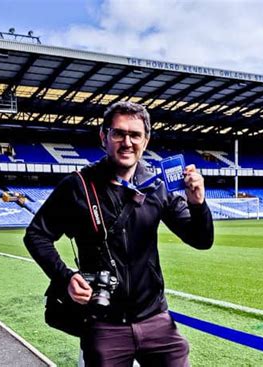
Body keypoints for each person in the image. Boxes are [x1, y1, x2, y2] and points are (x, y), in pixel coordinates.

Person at [24, 101, 214, 366]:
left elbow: (201, 239)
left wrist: (197, 203)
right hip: (104, 325)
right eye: (119, 133)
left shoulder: (157, 187)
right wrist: (65, 277)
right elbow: (36, 235)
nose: (127, 142)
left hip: (155, 320)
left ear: (145, 141)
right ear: (104, 137)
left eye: (135, 135)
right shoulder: (78, 186)